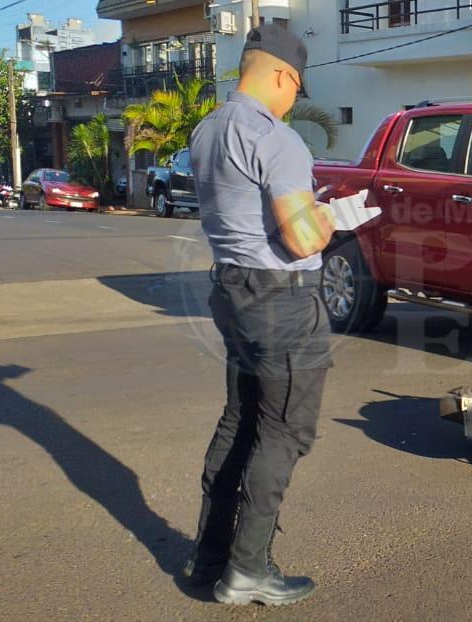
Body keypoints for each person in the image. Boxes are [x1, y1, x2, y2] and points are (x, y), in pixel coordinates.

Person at [183, 24, 336, 606]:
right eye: (296, 85)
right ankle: (249, 569)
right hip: (281, 299)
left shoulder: (208, 129)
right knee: (284, 430)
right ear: (280, 74)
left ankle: (210, 556)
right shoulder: (278, 139)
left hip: (231, 287)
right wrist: (327, 220)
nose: (296, 97)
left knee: (240, 420)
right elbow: (301, 240)